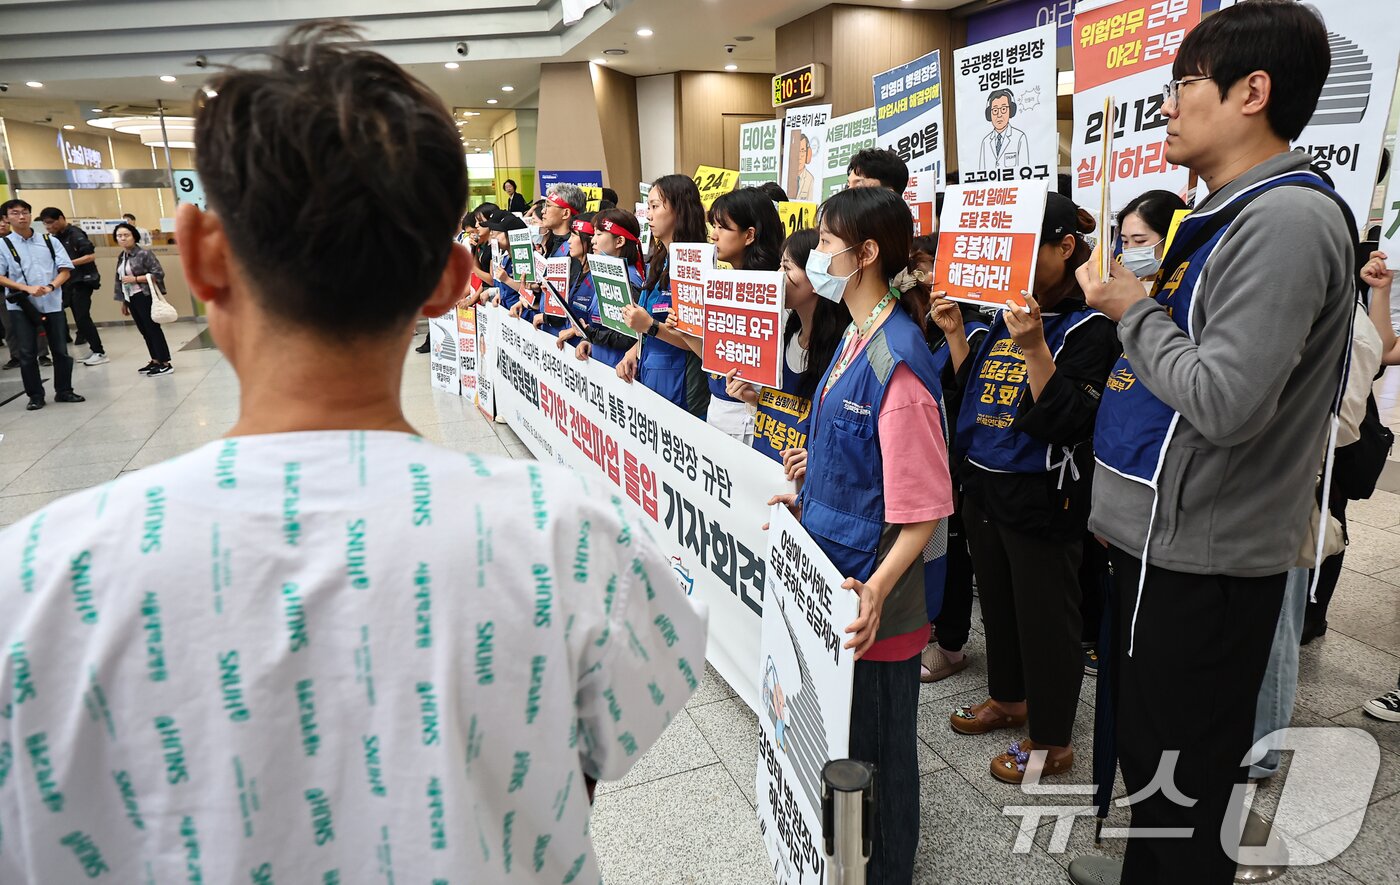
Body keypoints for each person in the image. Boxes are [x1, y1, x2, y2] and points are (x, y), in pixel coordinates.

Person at [0, 23, 707, 883]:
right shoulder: (572, 539)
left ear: (202, 255)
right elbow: (604, 749)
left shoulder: (36, 583)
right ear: (452, 283)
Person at [1070, 4, 1354, 882]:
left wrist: (1131, 311)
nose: (1168, 104)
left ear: (1251, 93)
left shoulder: (1287, 223)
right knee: (1160, 768)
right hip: (1166, 543)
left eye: (1182, 84)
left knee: (1185, 778)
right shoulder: (1230, 212)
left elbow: (1226, 401)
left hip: (1209, 560)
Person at [770, 186, 952, 884]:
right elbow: (866, 454)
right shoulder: (855, 333)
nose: (816, 255)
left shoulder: (897, 361)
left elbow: (926, 506)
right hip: (837, 575)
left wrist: (877, 590)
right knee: (846, 747)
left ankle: (888, 872)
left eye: (824, 243)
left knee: (879, 757)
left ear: (866, 253)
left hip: (874, 598)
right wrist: (814, 478)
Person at [939, 194, 1118, 783]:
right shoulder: (1001, 312)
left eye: (1028, 248)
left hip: (1045, 495)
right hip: (986, 487)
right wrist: (957, 335)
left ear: (1066, 249)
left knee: (1047, 618)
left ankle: (1052, 739)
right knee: (1001, 604)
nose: (1013, 261)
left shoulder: (1091, 328)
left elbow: (1070, 419)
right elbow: (976, 394)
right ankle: (1009, 697)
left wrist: (1036, 346)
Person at [910, 235, 992, 683]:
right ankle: (929, 628)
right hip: (930, 455)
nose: (921, 277)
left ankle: (952, 645)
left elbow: (969, 395)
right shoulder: (918, 325)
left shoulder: (973, 329)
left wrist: (954, 334)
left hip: (958, 459)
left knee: (954, 551)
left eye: (928, 267)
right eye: (919, 269)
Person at [664, 187, 782, 444]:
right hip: (718, 409)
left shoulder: (773, 292)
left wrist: (753, 398)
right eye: (713, 226)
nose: (713, 235)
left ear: (749, 235)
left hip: (751, 420)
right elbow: (716, 358)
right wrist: (685, 330)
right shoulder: (722, 282)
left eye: (722, 227)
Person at [748, 229, 844, 474]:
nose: (778, 276)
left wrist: (816, 457)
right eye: (780, 265)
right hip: (768, 468)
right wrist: (752, 398)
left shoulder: (842, 350)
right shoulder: (785, 334)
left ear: (816, 279)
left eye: (787, 267)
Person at [616, 174, 710, 418]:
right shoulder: (658, 261)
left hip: (682, 387)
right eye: (648, 207)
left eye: (655, 206)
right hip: (652, 377)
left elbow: (698, 343)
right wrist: (633, 350)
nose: (648, 215)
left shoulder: (696, 267)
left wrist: (650, 326)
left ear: (679, 210)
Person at [0, 198, 86, 410]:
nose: (21, 216)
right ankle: (35, 395)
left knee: (60, 350)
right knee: (27, 353)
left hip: (52, 302)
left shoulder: (49, 241)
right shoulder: (3, 244)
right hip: (21, 306)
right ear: (6, 218)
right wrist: (26, 289)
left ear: (30, 215)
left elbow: (65, 270)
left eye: (25, 212)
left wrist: (50, 286)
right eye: (15, 213)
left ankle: (64, 390)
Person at [39, 208, 109, 366]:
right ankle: (94, 349)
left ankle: (100, 352)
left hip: (83, 281)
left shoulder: (75, 233)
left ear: (61, 218)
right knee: (78, 317)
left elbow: (90, 256)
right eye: (45, 224)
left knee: (82, 317)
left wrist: (67, 264)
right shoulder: (55, 237)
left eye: (51, 223)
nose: (49, 227)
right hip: (69, 282)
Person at [112, 221, 175, 376]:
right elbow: (119, 279)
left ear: (134, 237)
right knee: (144, 330)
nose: (122, 238)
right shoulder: (122, 256)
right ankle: (155, 360)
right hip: (131, 297)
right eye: (119, 236)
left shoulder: (144, 254)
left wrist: (136, 279)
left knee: (153, 329)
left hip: (144, 295)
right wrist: (123, 300)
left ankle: (165, 362)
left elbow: (158, 273)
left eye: (126, 235)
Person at [1117, 189, 1189, 280]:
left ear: (1173, 236)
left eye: (1140, 241)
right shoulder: (1125, 287)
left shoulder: (1193, 282)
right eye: (1125, 241)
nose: (1130, 249)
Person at [977, 89, 1030, 172]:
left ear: (1011, 111)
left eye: (1003, 109)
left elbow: (1026, 172)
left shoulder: (1020, 137)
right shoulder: (985, 141)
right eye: (995, 110)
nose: (999, 115)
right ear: (989, 114)